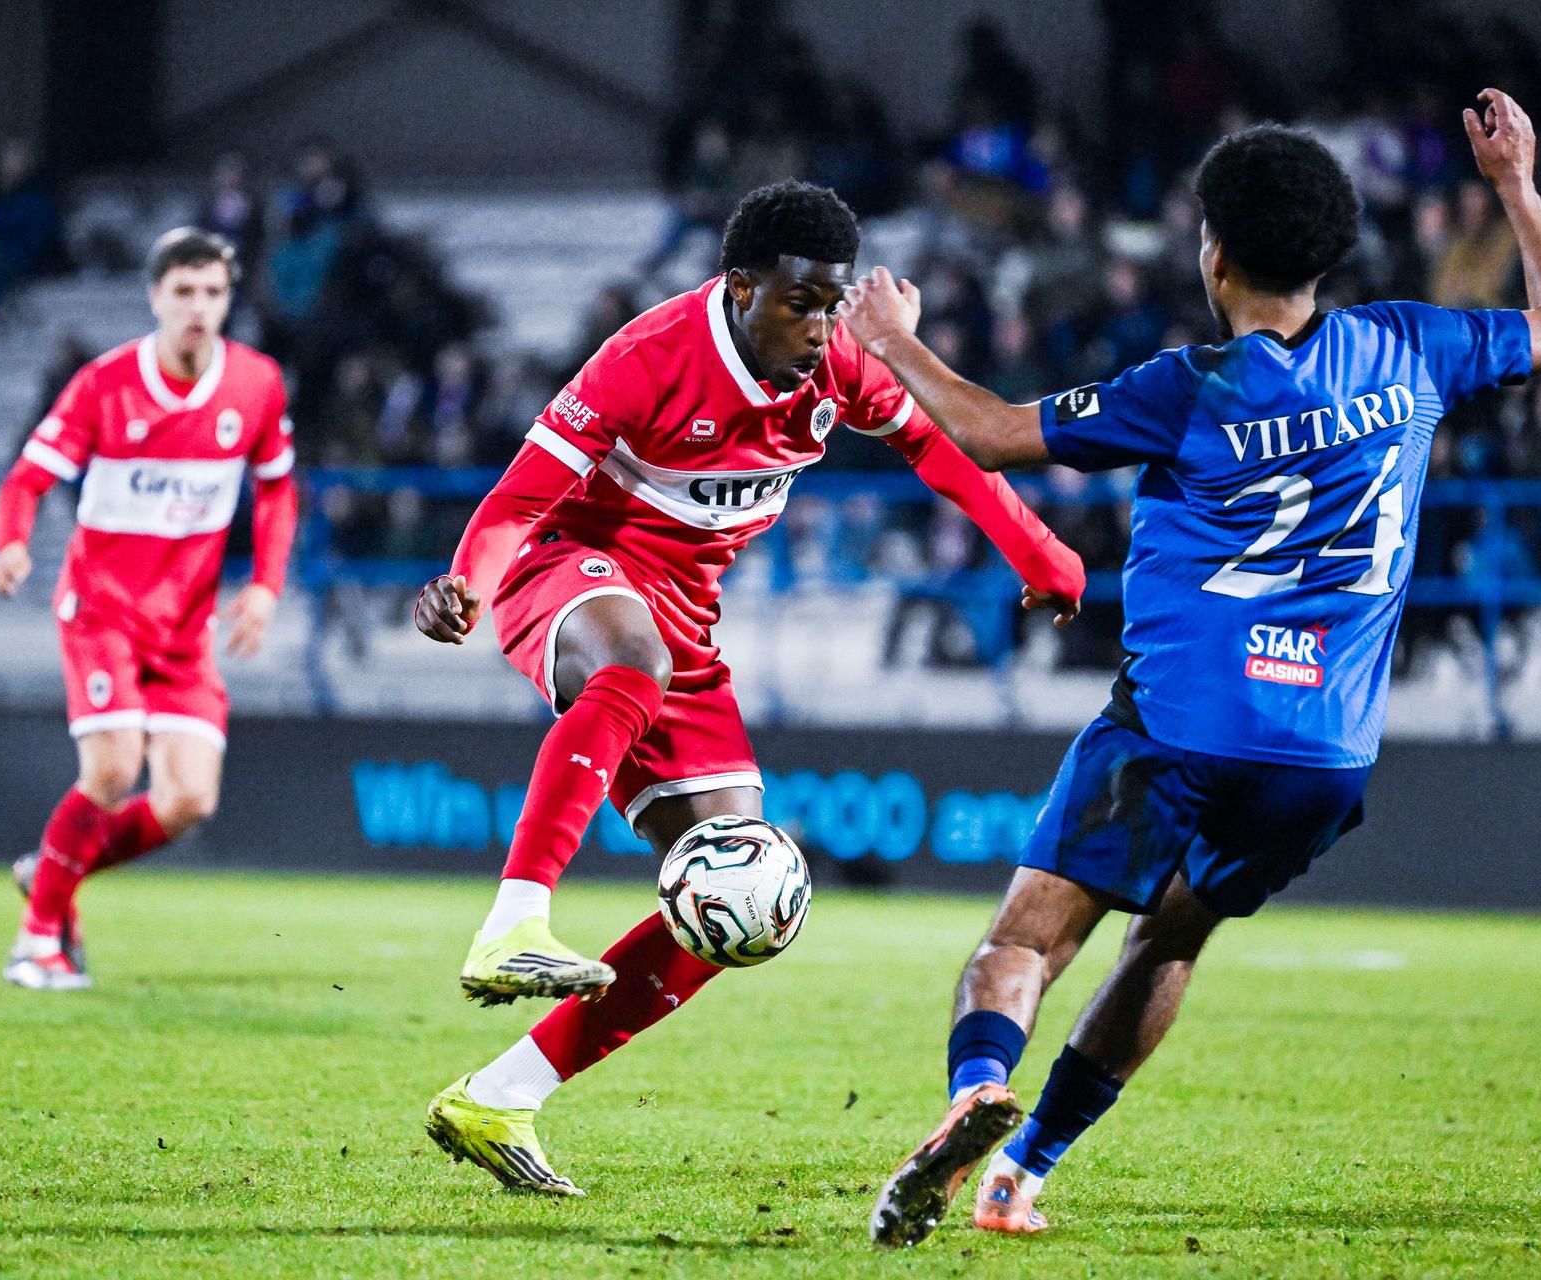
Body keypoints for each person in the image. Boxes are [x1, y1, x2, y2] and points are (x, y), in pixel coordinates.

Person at [841, 89, 1541, 1246]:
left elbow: (988, 430)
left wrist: (893, 340)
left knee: (1027, 940)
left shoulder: (1184, 388)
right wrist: (1516, 188)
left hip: (1181, 720)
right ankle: (1024, 1173)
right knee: (1174, 936)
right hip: (1324, 753)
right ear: (1329, 254)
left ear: (1214, 251)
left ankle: (975, 1092)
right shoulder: (1414, 343)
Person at [413, 180, 1087, 1193]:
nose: (820, 326)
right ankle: (514, 920)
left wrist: (1037, 552)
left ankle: (500, 1094)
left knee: (744, 896)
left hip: (682, 614)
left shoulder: (840, 362)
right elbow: (518, 499)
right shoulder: (648, 357)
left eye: (831, 303)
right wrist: (470, 574)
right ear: (739, 287)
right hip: (569, 564)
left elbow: (940, 453)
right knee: (629, 659)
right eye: (799, 303)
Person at [0, 228, 299, 991]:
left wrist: (264, 584)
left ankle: (51, 875)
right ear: (155, 296)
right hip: (102, 610)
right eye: (183, 292)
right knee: (115, 767)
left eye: (213, 293)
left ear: (229, 300)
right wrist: (13, 545)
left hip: (184, 625)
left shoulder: (256, 383)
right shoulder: (104, 383)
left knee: (189, 798)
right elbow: (25, 479)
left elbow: (278, 489)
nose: (198, 307)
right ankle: (36, 944)